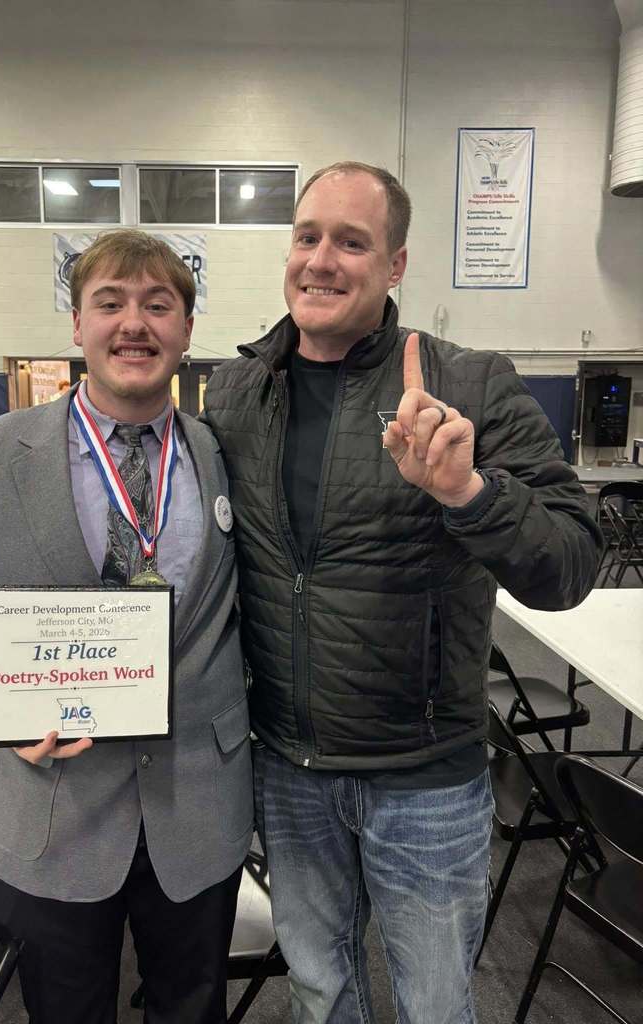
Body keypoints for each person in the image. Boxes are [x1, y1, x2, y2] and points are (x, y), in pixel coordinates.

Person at [203, 161, 604, 1024]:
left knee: (434, 1004)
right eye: (308, 237)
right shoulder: (236, 391)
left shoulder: (470, 383)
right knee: (320, 991)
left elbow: (571, 562)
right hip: (290, 767)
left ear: (395, 266)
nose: (321, 260)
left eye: (352, 242)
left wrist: (470, 495)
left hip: (423, 779)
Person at [0, 230, 252, 1024]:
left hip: (199, 803)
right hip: (53, 806)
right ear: (76, 324)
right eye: (110, 303)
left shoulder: (220, 452)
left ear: (186, 330)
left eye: (158, 305)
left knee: (193, 1011)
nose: (134, 324)